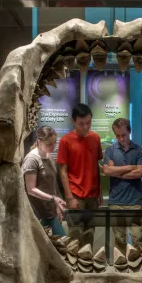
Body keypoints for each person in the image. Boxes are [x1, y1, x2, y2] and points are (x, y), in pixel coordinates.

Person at [57, 103, 103, 247]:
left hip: (93, 195)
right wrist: (69, 197)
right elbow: (62, 171)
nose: (85, 127)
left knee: (90, 234)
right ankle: (75, 267)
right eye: (81, 123)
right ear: (73, 121)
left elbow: (96, 165)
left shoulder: (95, 138)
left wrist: (100, 190)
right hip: (75, 194)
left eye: (88, 122)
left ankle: (87, 266)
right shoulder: (66, 141)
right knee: (75, 237)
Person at [103, 118, 142, 252]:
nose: (120, 138)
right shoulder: (110, 150)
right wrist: (130, 167)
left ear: (129, 131)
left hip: (135, 201)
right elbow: (107, 170)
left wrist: (117, 172)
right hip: (116, 200)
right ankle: (121, 267)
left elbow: (139, 173)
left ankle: (139, 268)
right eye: (117, 136)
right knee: (119, 240)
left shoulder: (139, 150)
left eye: (123, 135)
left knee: (138, 238)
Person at [22, 126, 66, 236]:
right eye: (49, 144)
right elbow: (31, 189)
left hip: (50, 212)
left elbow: (52, 184)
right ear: (39, 142)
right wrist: (53, 199)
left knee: (62, 245)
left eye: (54, 143)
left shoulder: (49, 156)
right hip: (37, 213)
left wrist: (57, 207)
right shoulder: (32, 159)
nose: (53, 147)